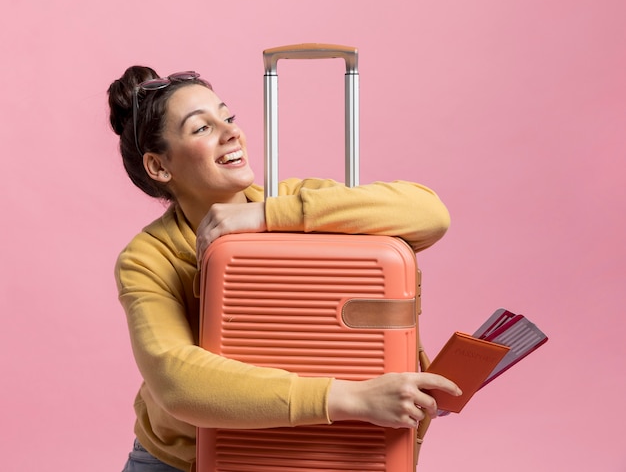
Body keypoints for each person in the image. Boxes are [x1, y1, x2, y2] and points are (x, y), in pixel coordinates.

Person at [107, 66, 461, 472]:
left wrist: (268, 215)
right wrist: (351, 398)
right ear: (158, 167)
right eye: (202, 129)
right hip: (181, 463)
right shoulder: (149, 258)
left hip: (303, 448)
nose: (231, 133)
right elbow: (176, 381)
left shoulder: (289, 201)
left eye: (229, 118)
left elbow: (429, 213)